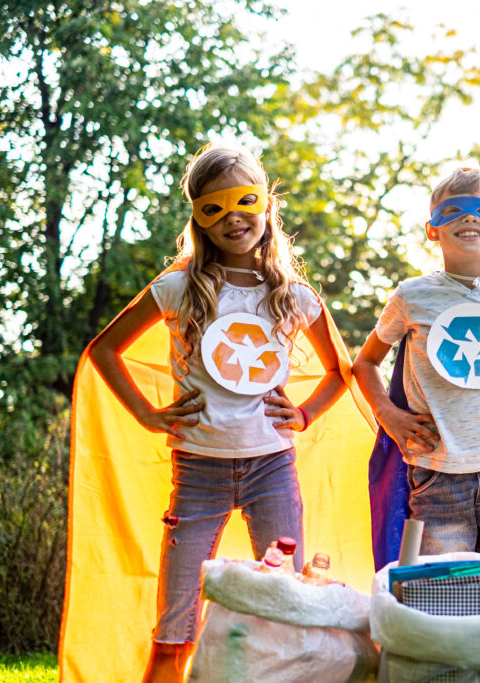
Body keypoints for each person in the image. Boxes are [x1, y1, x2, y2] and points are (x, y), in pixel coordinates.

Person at [87, 144, 349, 682]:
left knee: (284, 607)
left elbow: (340, 371)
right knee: (175, 621)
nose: (233, 217)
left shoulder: (292, 296)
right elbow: (104, 351)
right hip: (198, 471)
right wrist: (147, 414)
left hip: (272, 469)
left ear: (267, 208)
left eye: (245, 201)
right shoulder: (179, 287)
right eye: (215, 208)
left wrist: (302, 415)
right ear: (199, 220)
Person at [352, 164, 480, 558]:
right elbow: (365, 363)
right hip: (437, 475)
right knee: (445, 594)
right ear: (433, 229)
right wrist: (388, 415)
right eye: (455, 211)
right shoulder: (412, 296)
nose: (469, 218)